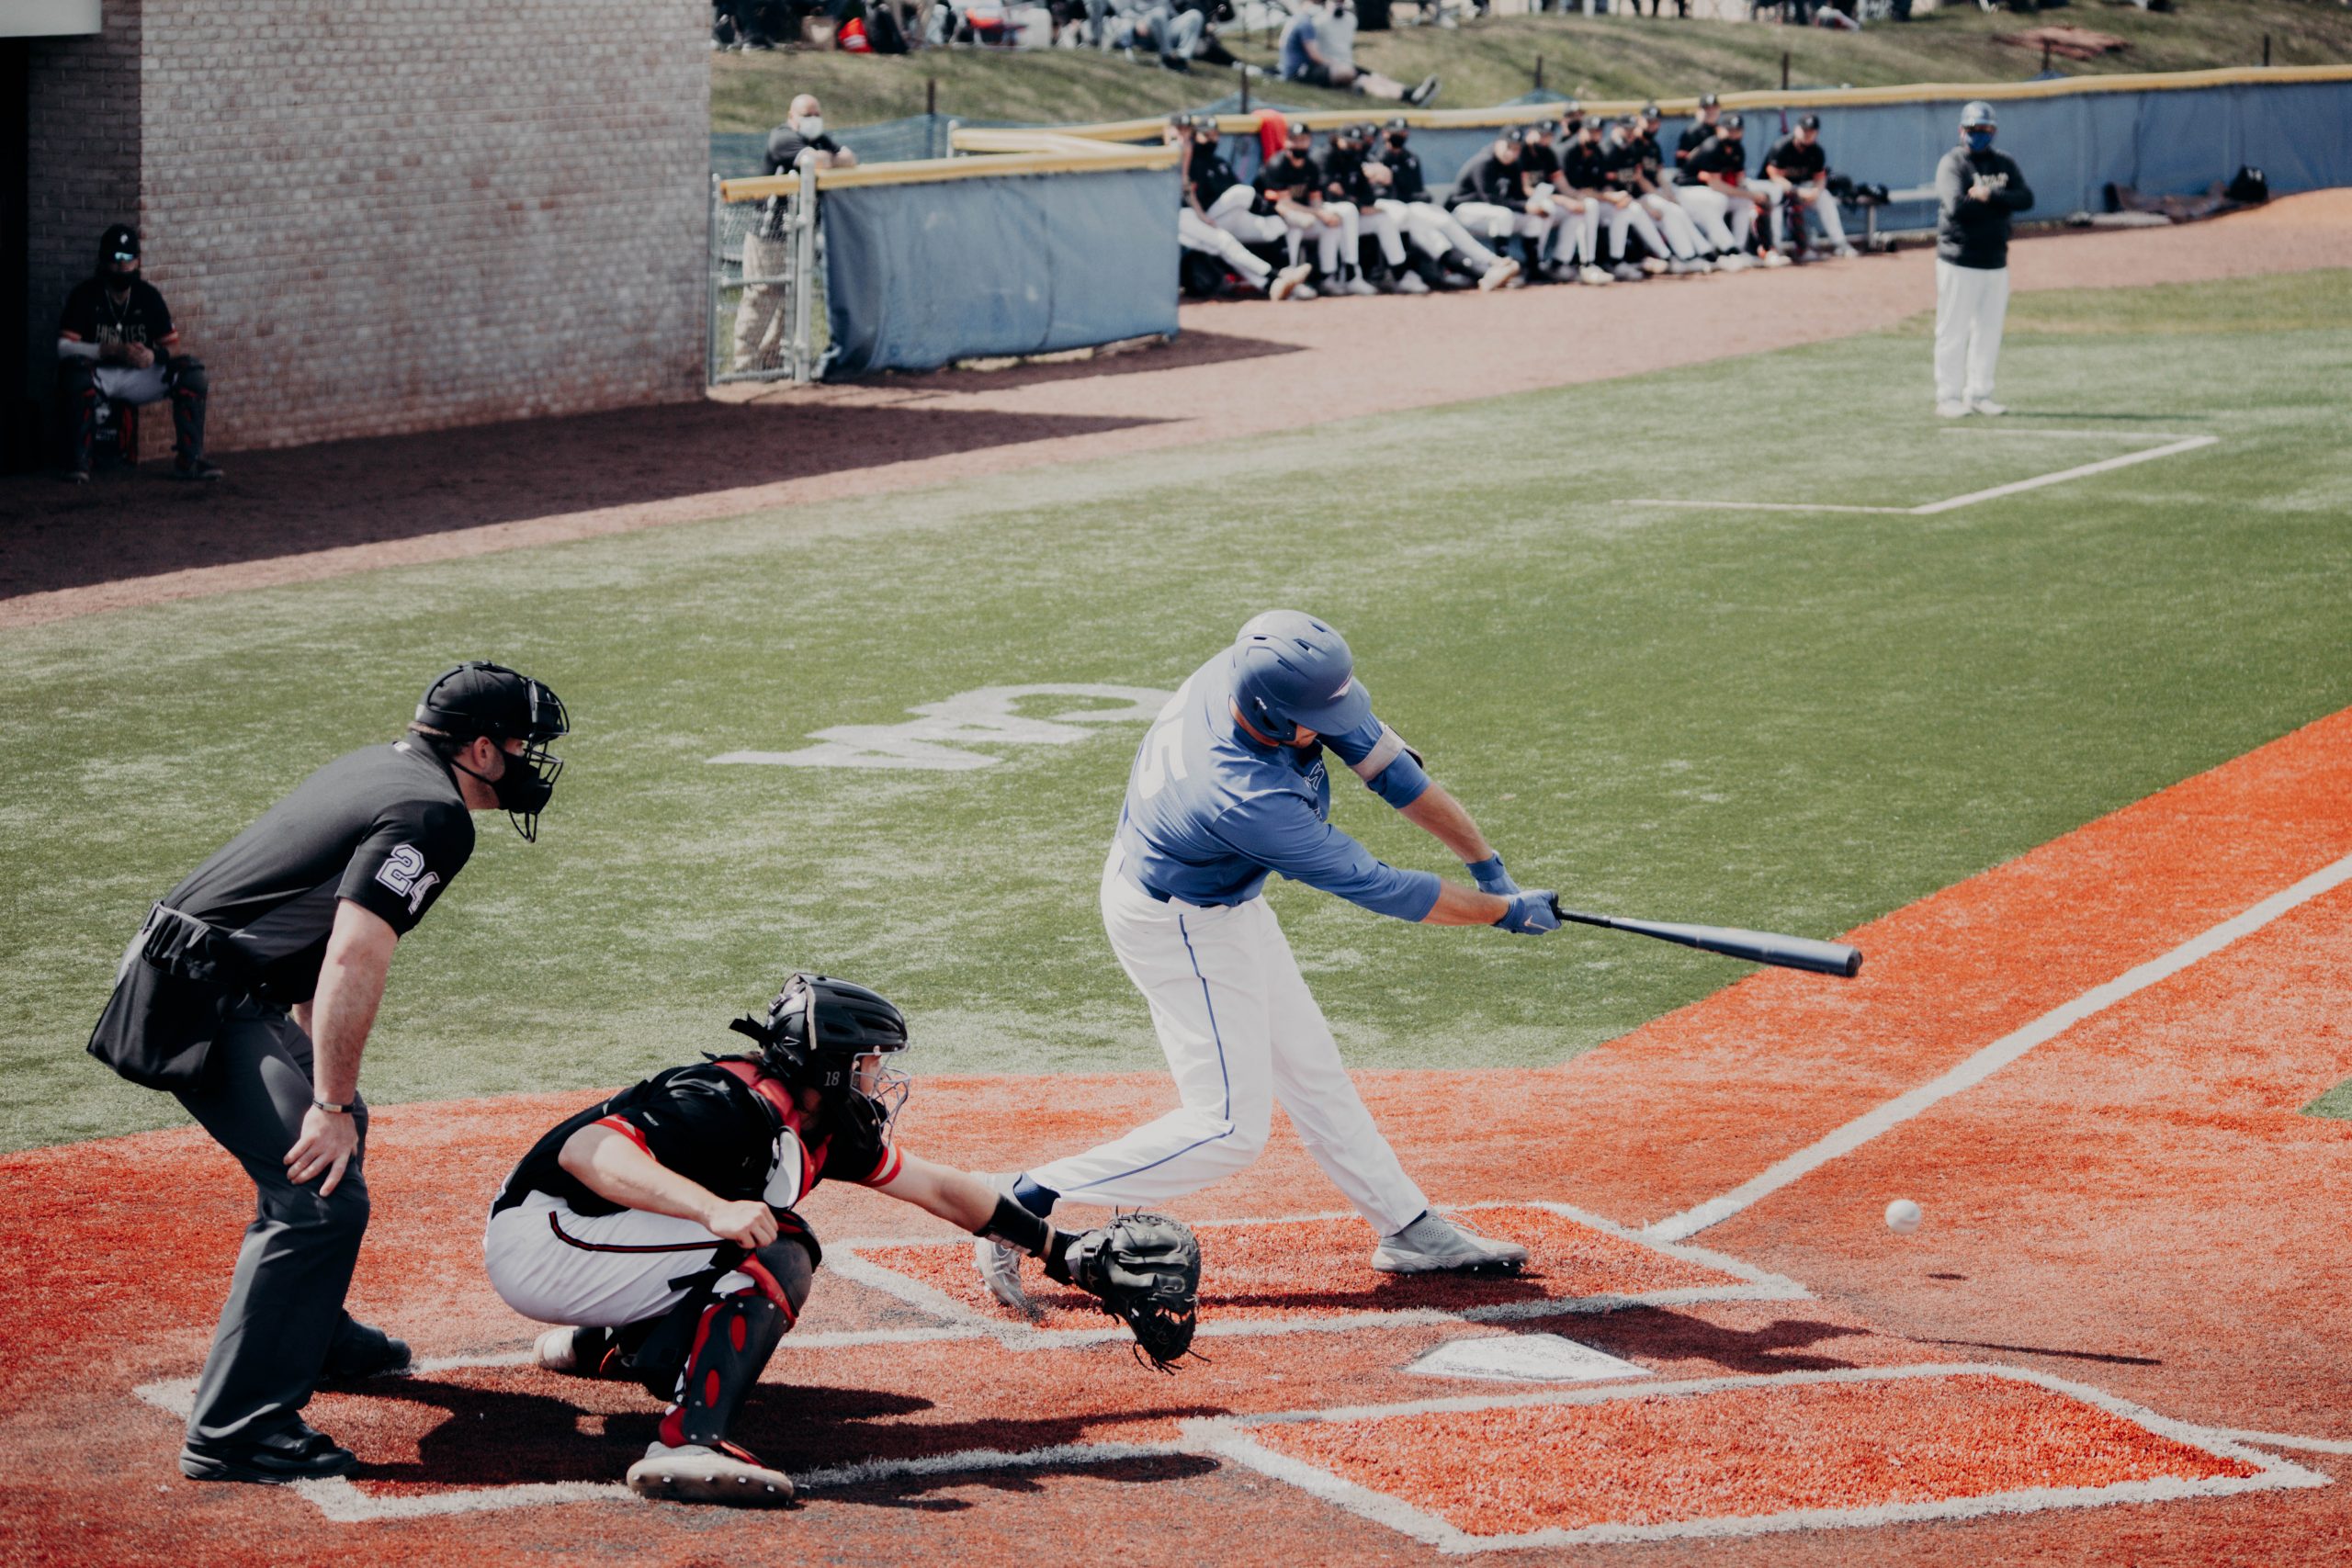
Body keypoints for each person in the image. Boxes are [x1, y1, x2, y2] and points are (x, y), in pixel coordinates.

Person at [973, 612, 1561, 1307]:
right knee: (1227, 1128)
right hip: (1177, 922)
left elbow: (1393, 774)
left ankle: (1406, 1226)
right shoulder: (1244, 796)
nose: (1336, 724)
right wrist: (1501, 912)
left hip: (1214, 897)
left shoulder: (1266, 676)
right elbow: (1385, 888)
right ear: (1273, 718)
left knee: (1312, 1068)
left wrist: (1489, 867)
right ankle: (1021, 1202)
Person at [86, 662, 571, 1484]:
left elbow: (312, 931)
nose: (531, 761)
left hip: (206, 974)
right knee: (317, 1196)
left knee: (336, 1139)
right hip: (197, 997)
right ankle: (237, 1430)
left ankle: (308, 1332)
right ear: (482, 749)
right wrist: (328, 1102)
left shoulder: (384, 768)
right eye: (524, 745)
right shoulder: (435, 815)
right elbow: (353, 953)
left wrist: (330, 1094)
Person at [489, 973, 1198, 1505]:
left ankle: (607, 1344)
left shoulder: (823, 1125)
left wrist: (1058, 1249)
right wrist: (711, 1210)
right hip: (546, 1233)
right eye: (868, 1061)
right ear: (830, 1063)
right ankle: (687, 1442)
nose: (878, 1076)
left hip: (591, 1241)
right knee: (776, 1243)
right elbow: (588, 1152)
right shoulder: (726, 1102)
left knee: (758, 1236)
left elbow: (941, 1188)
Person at [55, 225, 219, 484]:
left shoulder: (147, 295)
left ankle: (190, 460)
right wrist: (106, 350)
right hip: (102, 375)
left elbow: (174, 347)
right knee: (74, 374)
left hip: (139, 375)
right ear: (103, 261)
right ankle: (80, 461)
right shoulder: (86, 294)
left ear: (137, 261)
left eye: (128, 259)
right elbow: (63, 348)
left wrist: (154, 356)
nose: (123, 266)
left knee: (192, 374)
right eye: (116, 259)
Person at [733, 96, 857, 375]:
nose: (813, 119)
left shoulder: (820, 139)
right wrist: (829, 160)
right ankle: (744, 366)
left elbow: (850, 159)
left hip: (801, 236)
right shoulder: (782, 138)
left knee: (792, 301)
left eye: (816, 113)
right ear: (792, 117)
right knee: (762, 296)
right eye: (806, 114)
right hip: (768, 236)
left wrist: (827, 158)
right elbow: (814, 162)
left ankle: (774, 362)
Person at [1934, 101, 2033, 418]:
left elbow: (2026, 198)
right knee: (1953, 331)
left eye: (1985, 129)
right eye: (1974, 129)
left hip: (1995, 259)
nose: (1979, 134)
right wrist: (2000, 205)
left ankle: (1979, 393)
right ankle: (1948, 396)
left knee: (1989, 331)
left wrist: (1990, 195)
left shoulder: (2003, 163)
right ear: (1962, 129)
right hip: (1960, 259)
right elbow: (1957, 207)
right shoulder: (1953, 164)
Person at [1365, 118, 1520, 292]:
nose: (1400, 136)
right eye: (1396, 132)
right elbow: (1382, 194)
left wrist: (1401, 186)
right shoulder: (1377, 159)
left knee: (1441, 224)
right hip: (1397, 213)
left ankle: (1490, 265)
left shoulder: (1411, 158)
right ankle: (1486, 269)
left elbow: (1418, 191)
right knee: (1430, 232)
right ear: (1385, 133)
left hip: (1415, 209)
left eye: (1403, 132)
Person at [1170, 115, 1315, 300]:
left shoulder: (1216, 161)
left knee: (1260, 232)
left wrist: (1200, 215)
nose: (1183, 137)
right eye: (1179, 131)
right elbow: (1185, 187)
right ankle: (1279, 276)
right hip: (1179, 216)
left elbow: (1186, 186)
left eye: (1186, 131)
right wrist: (1201, 215)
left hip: (1204, 216)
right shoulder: (1174, 153)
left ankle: (1275, 282)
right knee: (1227, 236)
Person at [1257, 120, 1374, 297]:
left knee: (1331, 226)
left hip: (1302, 213)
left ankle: (1328, 277)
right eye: (1295, 140)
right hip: (1272, 217)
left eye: (1303, 140)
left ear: (1309, 140)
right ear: (1286, 141)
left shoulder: (1310, 166)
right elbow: (1284, 204)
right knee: (1296, 226)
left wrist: (1325, 214)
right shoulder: (1278, 163)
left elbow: (1315, 200)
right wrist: (1318, 213)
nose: (1299, 144)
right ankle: (1291, 280)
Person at [1566, 116, 1671, 283]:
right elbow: (1576, 191)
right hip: (1570, 202)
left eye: (1598, 132)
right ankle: (1587, 264)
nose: (1595, 135)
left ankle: (1618, 261)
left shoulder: (1598, 152)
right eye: (1591, 131)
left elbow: (1603, 184)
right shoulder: (1571, 151)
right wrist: (1610, 197)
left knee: (1623, 210)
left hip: (1598, 200)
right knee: (1591, 206)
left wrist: (1616, 198)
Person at [1319, 122, 1420, 292]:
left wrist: (1359, 203)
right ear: (1338, 140)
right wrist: (1358, 205)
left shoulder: (1355, 159)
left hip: (1351, 214)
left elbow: (1367, 194)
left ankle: (1399, 274)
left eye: (1356, 143)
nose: (1354, 147)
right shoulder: (1325, 156)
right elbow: (1329, 192)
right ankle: (1351, 275)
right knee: (1349, 210)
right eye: (1349, 143)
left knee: (1382, 217)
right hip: (1326, 212)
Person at [1609, 111, 1714, 275]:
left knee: (1677, 210)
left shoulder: (1652, 145)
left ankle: (1694, 254)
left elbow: (1659, 175)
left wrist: (1668, 194)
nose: (1652, 126)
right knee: (1669, 211)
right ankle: (1682, 256)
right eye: (1648, 121)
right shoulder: (1630, 145)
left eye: (1655, 122)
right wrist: (1660, 197)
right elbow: (1639, 180)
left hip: (1643, 195)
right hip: (1639, 196)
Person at [1278, 0, 1438, 104]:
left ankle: (1410, 93)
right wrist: (1335, 64)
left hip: (1307, 70)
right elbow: (1315, 55)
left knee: (1370, 77)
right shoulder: (1307, 23)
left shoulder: (1301, 20)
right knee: (1359, 77)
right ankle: (1408, 95)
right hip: (1301, 73)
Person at [1688, 112, 1786, 268]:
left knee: (1745, 202)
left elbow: (1740, 181)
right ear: (1720, 129)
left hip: (1712, 191)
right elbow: (1716, 185)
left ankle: (1739, 249)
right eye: (1730, 130)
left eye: (1737, 130)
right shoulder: (1712, 146)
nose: (1733, 134)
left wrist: (1754, 195)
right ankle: (1722, 250)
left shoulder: (1737, 149)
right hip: (1689, 189)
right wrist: (1749, 194)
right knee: (1719, 200)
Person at [1760, 114, 1859, 260]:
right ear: (1796, 129)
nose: (1807, 134)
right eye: (1804, 130)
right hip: (1777, 188)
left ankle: (1840, 243)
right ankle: (1776, 248)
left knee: (1824, 197)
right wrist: (1797, 191)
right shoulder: (1782, 146)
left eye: (1811, 131)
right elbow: (1774, 176)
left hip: (1802, 188)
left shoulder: (1817, 151)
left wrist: (1816, 191)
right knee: (1778, 201)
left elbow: (1820, 178)